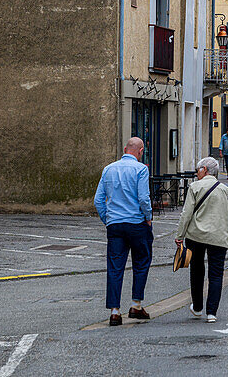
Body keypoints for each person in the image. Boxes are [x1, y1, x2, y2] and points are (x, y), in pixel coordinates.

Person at [94, 137, 153, 327]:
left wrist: (108, 219)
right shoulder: (141, 169)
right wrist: (148, 217)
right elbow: (143, 198)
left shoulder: (108, 169)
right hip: (136, 223)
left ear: (125, 149)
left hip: (115, 225)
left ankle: (114, 311)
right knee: (141, 262)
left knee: (115, 266)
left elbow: (98, 200)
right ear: (140, 151)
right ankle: (136, 304)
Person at [175, 156, 228, 323]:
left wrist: (179, 235)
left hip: (195, 236)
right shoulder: (225, 190)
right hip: (218, 236)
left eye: (198, 170)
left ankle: (197, 307)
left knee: (196, 270)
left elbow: (186, 214)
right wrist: (227, 230)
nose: (197, 173)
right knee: (216, 274)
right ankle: (212, 313)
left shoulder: (195, 187)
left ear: (205, 170)